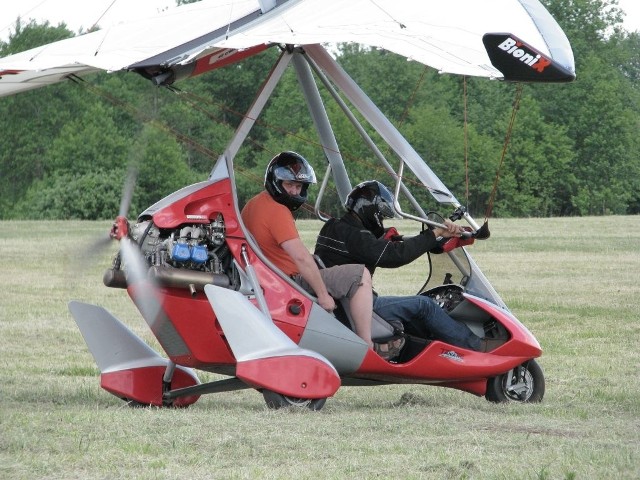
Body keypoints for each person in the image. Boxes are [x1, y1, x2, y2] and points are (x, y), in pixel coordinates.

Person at [314, 180, 485, 352]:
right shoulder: (357, 236)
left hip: (343, 301)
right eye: (381, 215)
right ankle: (477, 346)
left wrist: (433, 238)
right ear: (370, 209)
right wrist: (436, 233)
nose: (381, 219)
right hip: (358, 305)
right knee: (424, 305)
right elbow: (394, 256)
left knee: (414, 308)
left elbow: (378, 244)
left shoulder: (334, 227)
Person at [241, 151, 377, 348]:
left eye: (298, 186)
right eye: (290, 185)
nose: (295, 192)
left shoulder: (253, 204)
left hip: (270, 277)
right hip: (289, 282)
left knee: (321, 265)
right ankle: (367, 345)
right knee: (359, 274)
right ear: (276, 182)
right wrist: (323, 295)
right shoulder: (277, 211)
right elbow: (301, 258)